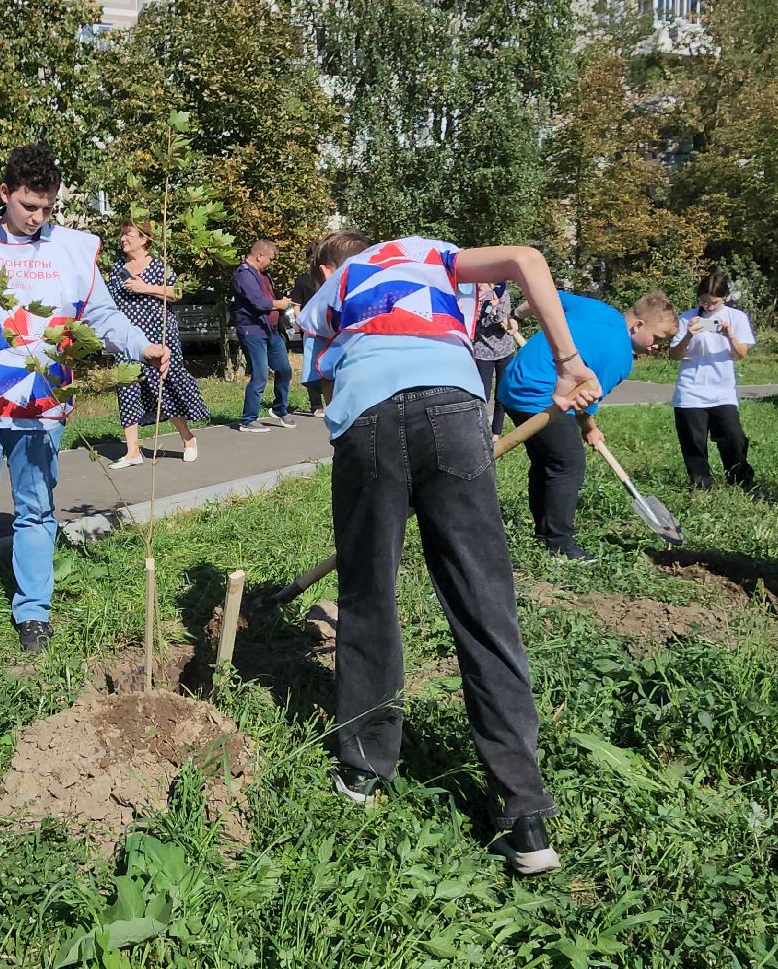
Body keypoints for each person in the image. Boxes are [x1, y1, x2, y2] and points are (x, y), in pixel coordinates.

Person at [298, 229, 601, 877]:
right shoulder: (430, 254)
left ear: (335, 261)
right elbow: (526, 259)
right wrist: (569, 362)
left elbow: (326, 394)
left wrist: (371, 470)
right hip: (452, 410)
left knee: (369, 597)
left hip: (365, 421)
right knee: (484, 603)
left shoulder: (331, 288)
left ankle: (361, 773)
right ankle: (525, 817)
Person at [0, 145, 170, 667]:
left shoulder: (71, 251)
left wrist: (141, 346)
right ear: (4, 194)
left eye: (48, 208)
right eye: (29, 206)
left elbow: (100, 315)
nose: (38, 218)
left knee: (36, 512)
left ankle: (33, 611)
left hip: (40, 404)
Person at [495, 291, 676, 560]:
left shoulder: (597, 308)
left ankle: (545, 531)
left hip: (511, 387)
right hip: (539, 396)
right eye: (657, 338)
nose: (656, 347)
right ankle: (560, 545)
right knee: (567, 466)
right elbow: (584, 399)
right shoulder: (620, 356)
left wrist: (515, 315)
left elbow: (544, 296)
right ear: (637, 326)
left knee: (547, 462)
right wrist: (589, 428)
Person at [105, 219, 208, 469]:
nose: (123, 239)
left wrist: (144, 287)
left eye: (128, 235)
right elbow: (107, 301)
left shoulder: (158, 266)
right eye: (122, 235)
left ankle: (188, 438)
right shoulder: (118, 268)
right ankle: (132, 451)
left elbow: (177, 292)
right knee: (127, 387)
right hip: (127, 338)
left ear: (144, 239)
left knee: (164, 389)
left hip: (158, 336)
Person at [669, 271, 757, 490]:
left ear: (724, 297)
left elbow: (741, 353)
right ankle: (702, 485)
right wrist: (689, 335)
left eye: (714, 303)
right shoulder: (686, 318)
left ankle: (740, 481)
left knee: (734, 438)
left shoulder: (736, 318)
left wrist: (729, 335)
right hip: (690, 390)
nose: (708, 307)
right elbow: (674, 355)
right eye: (704, 302)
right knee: (693, 443)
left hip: (722, 391)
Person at [231, 239, 294, 431]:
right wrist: (278, 304)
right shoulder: (244, 275)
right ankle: (248, 419)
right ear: (260, 255)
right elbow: (259, 302)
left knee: (284, 370)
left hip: (271, 330)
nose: (271, 262)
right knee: (260, 375)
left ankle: (280, 409)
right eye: (270, 259)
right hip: (253, 330)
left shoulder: (264, 274)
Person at [470, 282, 518, 437]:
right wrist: (489, 305)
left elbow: (503, 320)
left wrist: (494, 306)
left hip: (505, 350)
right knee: (483, 394)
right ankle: (480, 431)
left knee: (502, 394)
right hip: (483, 352)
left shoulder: (502, 291)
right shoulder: (474, 295)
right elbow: (478, 321)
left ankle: (496, 434)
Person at [290, 250, 331, 417]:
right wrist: (303, 323)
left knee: (329, 365)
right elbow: (296, 307)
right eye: (312, 258)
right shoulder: (303, 279)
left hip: (329, 328)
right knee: (312, 366)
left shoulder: (330, 278)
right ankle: (316, 405)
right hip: (311, 330)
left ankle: (333, 402)